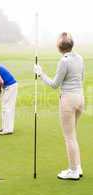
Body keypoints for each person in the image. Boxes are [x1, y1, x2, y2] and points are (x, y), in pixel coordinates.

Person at [34, 32, 85, 180]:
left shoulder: (64, 61)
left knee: (69, 137)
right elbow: (80, 78)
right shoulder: (80, 58)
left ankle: (73, 171)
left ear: (59, 47)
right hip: (80, 98)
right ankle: (78, 167)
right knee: (73, 135)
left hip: (68, 100)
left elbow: (54, 84)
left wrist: (40, 73)